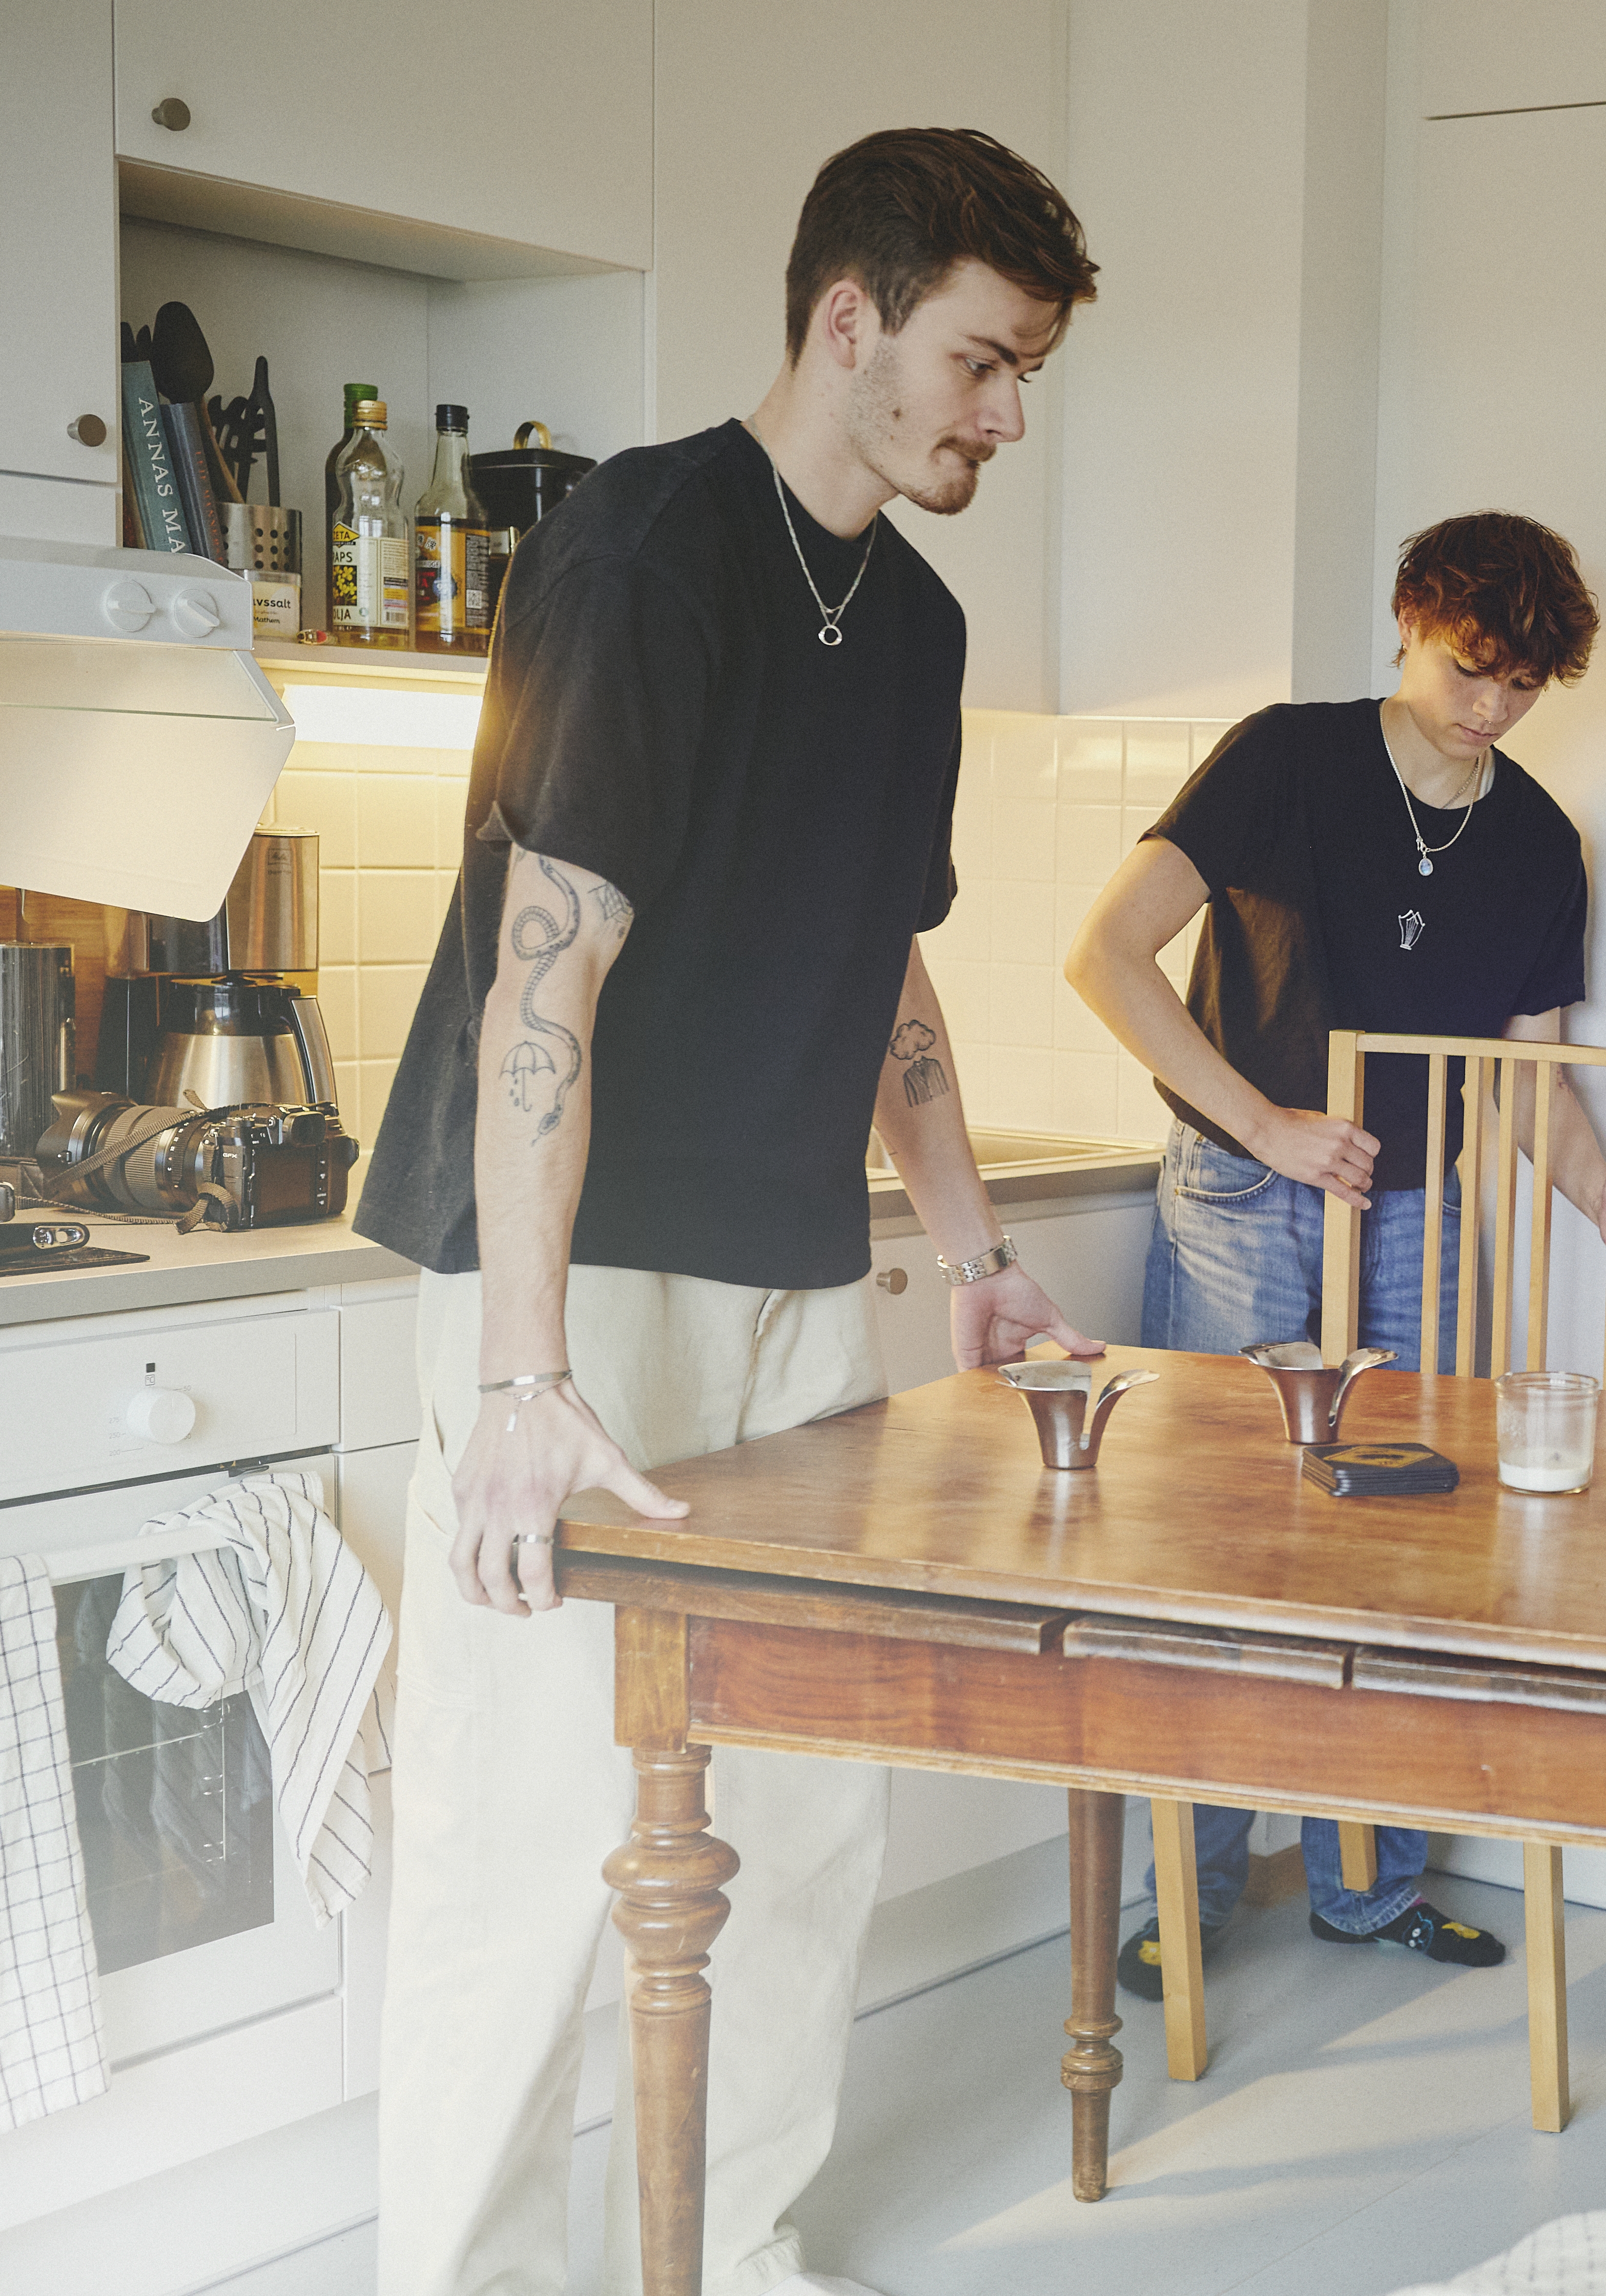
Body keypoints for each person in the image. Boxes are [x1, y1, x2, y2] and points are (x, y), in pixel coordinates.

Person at [352, 129, 1100, 2296]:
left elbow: (890, 966)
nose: (1007, 416)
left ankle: (723, 2238)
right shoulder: (644, 550)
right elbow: (545, 962)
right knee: (517, 1833)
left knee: (797, 1820)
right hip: (568, 1287)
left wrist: (975, 1258)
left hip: (790, 1278)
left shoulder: (923, 628)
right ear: (848, 317)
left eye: (1029, 371)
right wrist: (520, 1367)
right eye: (983, 359)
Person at [1061, 509, 1606, 2000]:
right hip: (1240, 1192)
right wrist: (1265, 1125)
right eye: (1473, 669)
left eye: (1525, 684)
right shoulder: (1285, 758)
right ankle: (1182, 1903)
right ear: (1409, 621)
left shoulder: (1538, 842)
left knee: (1401, 1549)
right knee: (1215, 1542)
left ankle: (1368, 1890)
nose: (1493, 706)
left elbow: (1532, 1080)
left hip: (1419, 1211)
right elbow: (1106, 958)